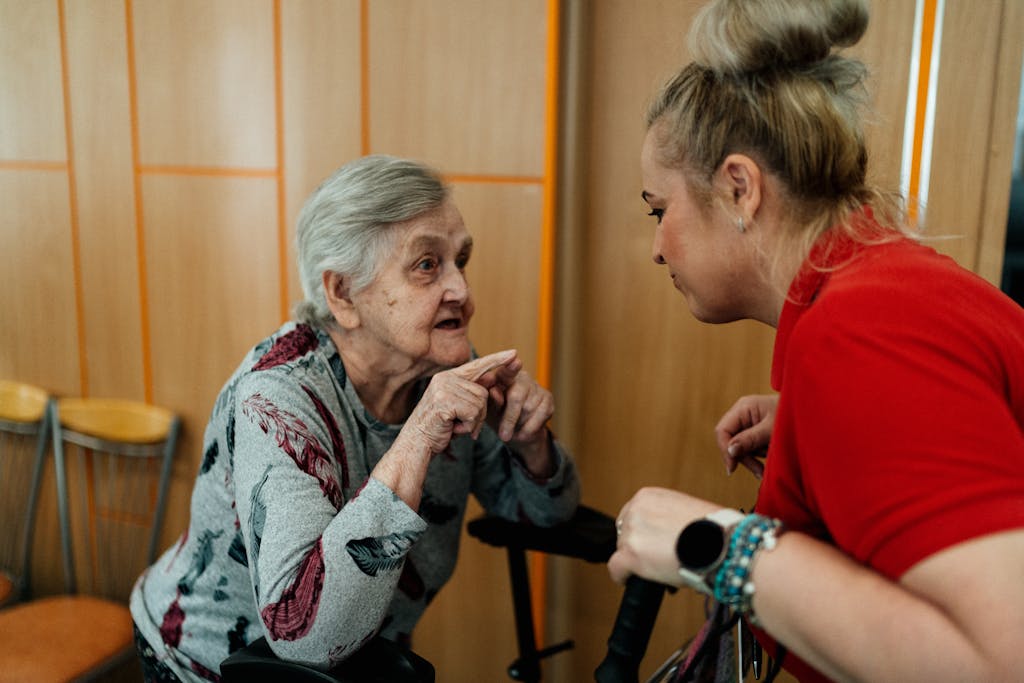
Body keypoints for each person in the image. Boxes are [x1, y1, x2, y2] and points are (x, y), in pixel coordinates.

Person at [607, 0, 1024, 681]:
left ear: (740, 187)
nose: (656, 247)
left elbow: (1002, 661)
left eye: (660, 209)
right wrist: (814, 431)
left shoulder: (862, 335)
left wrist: (717, 547)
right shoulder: (886, 289)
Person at [130, 155, 580, 682]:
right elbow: (306, 637)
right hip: (205, 666)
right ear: (343, 294)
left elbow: (546, 513)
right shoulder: (277, 399)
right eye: (427, 265)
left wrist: (531, 447)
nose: (462, 290)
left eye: (461, 260)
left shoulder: (444, 369)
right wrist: (416, 438)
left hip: (355, 667)